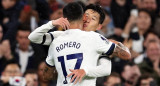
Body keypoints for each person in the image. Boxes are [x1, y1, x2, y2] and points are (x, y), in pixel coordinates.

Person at [29, 2, 131, 86]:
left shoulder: (58, 40)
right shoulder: (60, 36)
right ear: (82, 17)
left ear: (99, 26)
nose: (87, 20)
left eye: (93, 18)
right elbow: (124, 56)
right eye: (86, 16)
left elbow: (47, 75)